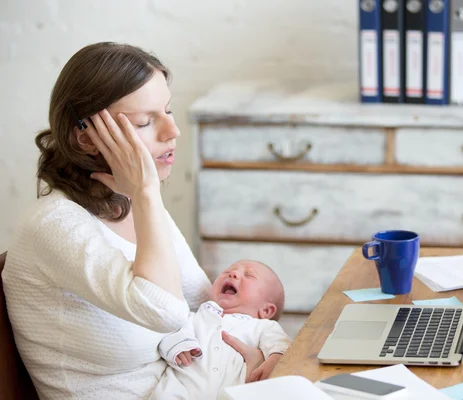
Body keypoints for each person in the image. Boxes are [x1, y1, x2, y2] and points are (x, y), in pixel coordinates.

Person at [2, 42, 267, 400]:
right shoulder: (54, 224)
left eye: (169, 110)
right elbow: (168, 313)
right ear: (87, 138)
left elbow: (205, 307)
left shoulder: (129, 205)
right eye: (146, 121)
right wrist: (147, 193)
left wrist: (258, 353)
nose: (172, 131)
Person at [150, 259, 292, 400]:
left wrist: (275, 359)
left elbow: (281, 344)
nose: (234, 274)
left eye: (249, 275)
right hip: (183, 389)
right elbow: (167, 330)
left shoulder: (262, 327)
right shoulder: (194, 317)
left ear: (266, 310)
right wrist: (175, 345)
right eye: (227, 272)